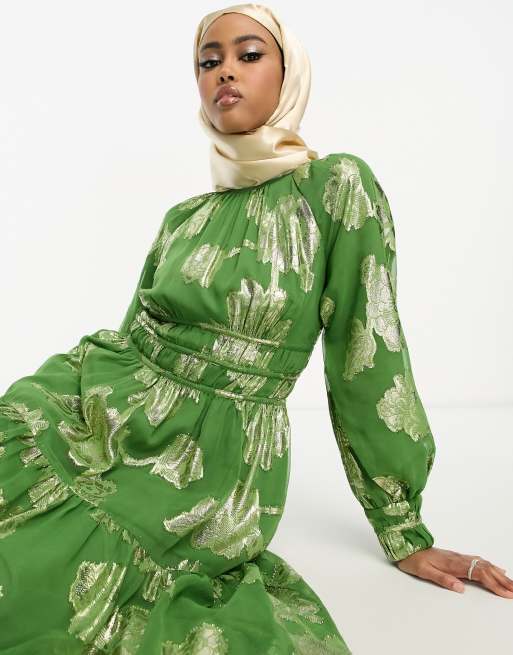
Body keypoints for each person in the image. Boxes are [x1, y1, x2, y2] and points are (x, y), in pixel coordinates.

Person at [1, 3, 512, 654]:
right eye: (208, 61)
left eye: (248, 55)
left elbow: (367, 353)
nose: (224, 72)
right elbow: (132, 336)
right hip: (106, 410)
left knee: (52, 588)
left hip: (209, 459)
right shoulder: (185, 216)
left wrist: (402, 527)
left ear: (288, 72)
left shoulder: (336, 186)